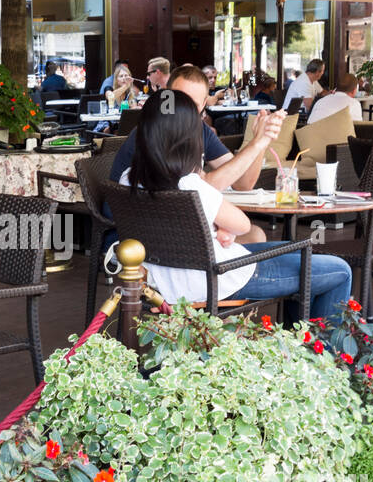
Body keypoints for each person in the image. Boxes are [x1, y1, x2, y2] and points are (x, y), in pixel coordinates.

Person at [120, 90, 352, 321]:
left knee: (296, 250)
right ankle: (321, 351)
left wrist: (216, 224)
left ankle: (299, 344)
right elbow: (242, 226)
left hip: (168, 281)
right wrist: (223, 225)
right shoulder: (189, 184)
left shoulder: (129, 178)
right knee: (340, 270)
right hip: (217, 278)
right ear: (188, 138)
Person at [111, 64, 285, 244]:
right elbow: (196, 185)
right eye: (180, 100)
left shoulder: (200, 130)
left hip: (174, 230)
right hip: (140, 235)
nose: (184, 110)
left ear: (203, 105)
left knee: (255, 235)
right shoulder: (155, 132)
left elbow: (242, 183)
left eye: (191, 104)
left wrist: (260, 143)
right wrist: (256, 143)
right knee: (254, 236)